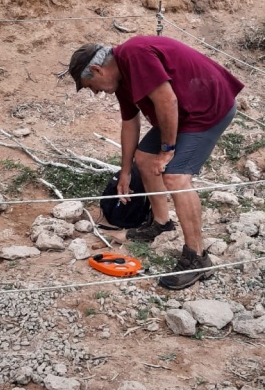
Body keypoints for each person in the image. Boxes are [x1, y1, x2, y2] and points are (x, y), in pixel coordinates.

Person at [68, 35, 244, 290]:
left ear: (97, 69)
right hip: (182, 112)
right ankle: (162, 223)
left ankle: (197, 258)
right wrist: (126, 171)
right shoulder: (121, 78)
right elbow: (130, 123)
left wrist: (168, 150)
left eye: (91, 86)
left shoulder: (134, 54)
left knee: (176, 176)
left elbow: (167, 100)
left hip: (208, 108)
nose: (96, 93)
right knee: (144, 158)